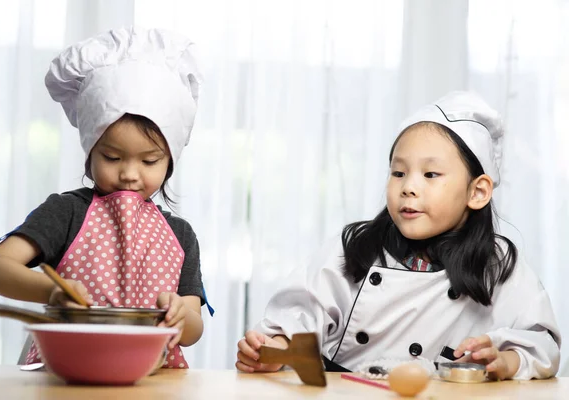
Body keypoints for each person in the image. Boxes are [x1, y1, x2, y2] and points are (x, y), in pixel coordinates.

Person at [236, 91, 561, 380]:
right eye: (398, 172)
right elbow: (302, 314)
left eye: (430, 174)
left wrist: (507, 360)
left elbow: (543, 345)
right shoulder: (355, 246)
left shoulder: (499, 265)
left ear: (477, 192)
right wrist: (275, 347)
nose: (408, 186)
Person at [0, 26, 208, 369]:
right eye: (112, 157)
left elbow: (193, 328)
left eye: (149, 160)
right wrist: (51, 292)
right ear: (89, 151)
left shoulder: (181, 235)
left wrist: (179, 314)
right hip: (64, 374)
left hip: (154, 381)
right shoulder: (66, 212)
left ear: (170, 159)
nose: (130, 173)